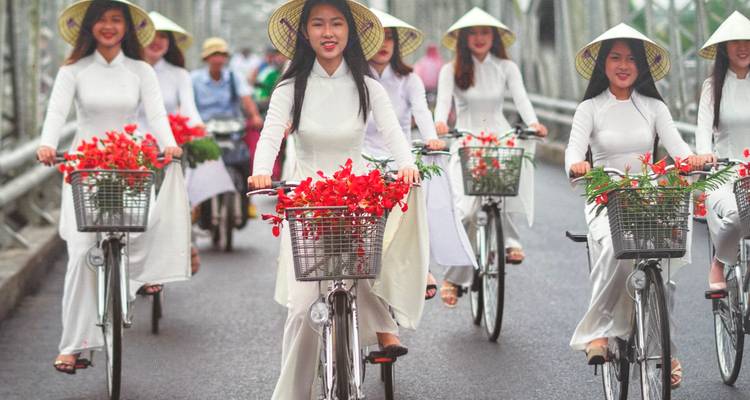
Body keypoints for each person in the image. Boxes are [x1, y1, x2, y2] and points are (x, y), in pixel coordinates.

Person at [248, 1, 425, 398]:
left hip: (357, 197)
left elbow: (394, 134)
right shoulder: (290, 87)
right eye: (318, 24)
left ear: (350, 32)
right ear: (305, 33)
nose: (328, 32)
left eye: (337, 24)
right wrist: (261, 170)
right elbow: (271, 136)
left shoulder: (368, 86)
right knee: (302, 308)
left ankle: (378, 325)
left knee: (364, 271)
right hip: (307, 201)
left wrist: (407, 165)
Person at [36, 0, 188, 374]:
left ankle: (138, 277)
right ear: (89, 27)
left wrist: (168, 143)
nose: (108, 26)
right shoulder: (74, 70)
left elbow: (155, 113)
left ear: (127, 28)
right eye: (101, 20)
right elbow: (57, 112)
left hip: (128, 162)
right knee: (81, 251)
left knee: (140, 225)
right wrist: (46, 142)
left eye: (116, 20)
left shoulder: (139, 70)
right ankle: (73, 345)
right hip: (86, 164)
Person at [565, 23, 712, 388]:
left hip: (648, 196)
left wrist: (694, 160)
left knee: (664, 276)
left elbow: (679, 150)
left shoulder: (653, 106)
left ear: (642, 66)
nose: (623, 65)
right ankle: (598, 331)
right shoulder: (590, 108)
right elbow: (573, 149)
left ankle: (666, 350)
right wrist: (578, 164)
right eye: (615, 57)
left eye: (631, 58)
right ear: (603, 65)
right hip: (607, 194)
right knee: (615, 248)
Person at [434, 7, 548, 306]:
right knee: (469, 210)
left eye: (486, 32)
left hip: (500, 136)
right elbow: (442, 105)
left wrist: (533, 122)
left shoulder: (506, 67)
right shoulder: (451, 70)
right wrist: (440, 125)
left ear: (494, 37)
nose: (480, 38)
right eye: (474, 33)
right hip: (467, 140)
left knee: (505, 187)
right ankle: (453, 276)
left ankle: (509, 240)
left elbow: (522, 98)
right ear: (463, 38)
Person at [364, 8, 474, 301]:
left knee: (416, 201)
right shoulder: (356, 78)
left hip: (400, 154)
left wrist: (431, 139)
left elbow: (422, 114)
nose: (385, 44)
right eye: (378, 37)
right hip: (362, 154)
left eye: (391, 38)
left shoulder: (408, 78)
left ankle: (420, 265)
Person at [141, 11, 232, 275]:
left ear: (171, 43)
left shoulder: (179, 74)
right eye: (151, 36)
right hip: (136, 147)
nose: (157, 42)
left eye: (163, 37)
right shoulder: (132, 69)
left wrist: (198, 128)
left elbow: (189, 109)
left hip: (170, 147)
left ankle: (179, 246)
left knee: (174, 201)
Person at [695, 11, 750, 293]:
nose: (743, 47)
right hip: (725, 174)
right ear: (724, 49)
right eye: (735, 42)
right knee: (738, 214)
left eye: (748, 40)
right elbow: (703, 131)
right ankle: (721, 260)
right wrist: (704, 154)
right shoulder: (712, 87)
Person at [192, 37, 264, 219]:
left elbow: (246, 99)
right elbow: (187, 104)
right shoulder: (195, 79)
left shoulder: (234, 77)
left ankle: (248, 201)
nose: (218, 59)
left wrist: (254, 116)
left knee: (244, 162)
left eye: (221, 55)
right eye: (214, 54)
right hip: (204, 133)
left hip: (231, 130)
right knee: (194, 167)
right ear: (206, 58)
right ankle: (196, 205)